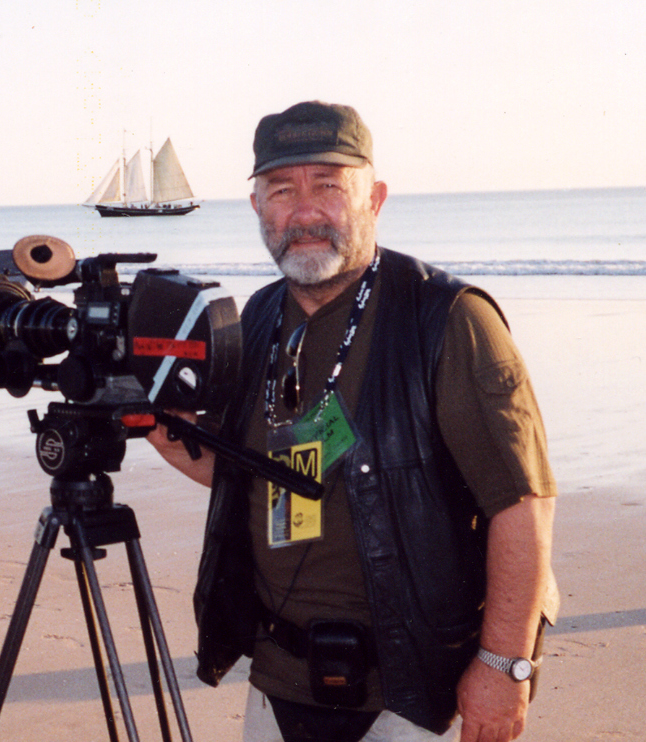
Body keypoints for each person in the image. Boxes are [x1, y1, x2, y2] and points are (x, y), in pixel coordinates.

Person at [147, 102, 558, 742]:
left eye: (329, 186)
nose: (305, 212)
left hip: (412, 691)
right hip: (277, 681)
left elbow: (522, 503)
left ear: (375, 198)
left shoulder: (446, 320)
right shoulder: (256, 318)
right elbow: (256, 474)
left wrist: (504, 664)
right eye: (282, 190)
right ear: (257, 207)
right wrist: (164, 430)